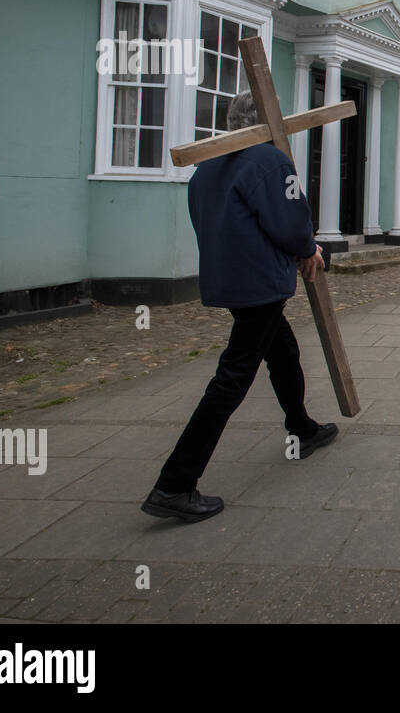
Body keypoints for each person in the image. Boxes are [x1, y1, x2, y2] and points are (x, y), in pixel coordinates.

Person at [142, 91, 337, 522]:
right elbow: (289, 222)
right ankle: (174, 484)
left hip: (229, 280)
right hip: (259, 283)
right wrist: (308, 248)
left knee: (282, 351)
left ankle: (301, 428)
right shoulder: (269, 162)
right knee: (232, 378)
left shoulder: (208, 165)